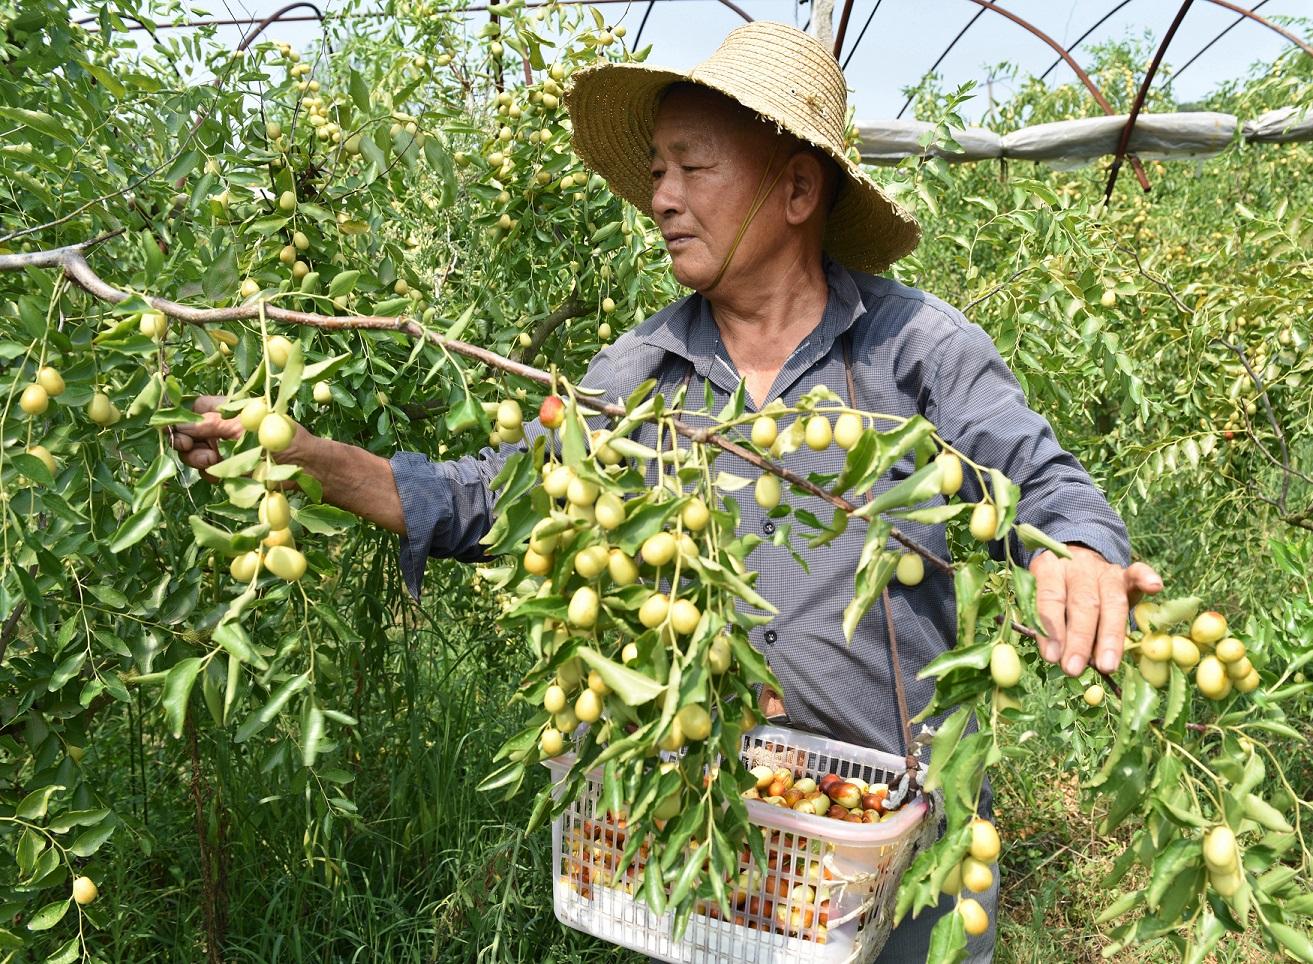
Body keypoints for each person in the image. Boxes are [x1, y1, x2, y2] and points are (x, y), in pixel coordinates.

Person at [174, 22, 1162, 961]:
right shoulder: (635, 375)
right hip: (727, 835)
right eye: (656, 171)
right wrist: (305, 455)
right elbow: (493, 501)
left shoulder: (913, 351)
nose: (662, 197)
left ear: (794, 188)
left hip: (896, 836)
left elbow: (1039, 483)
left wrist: (1074, 552)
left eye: (693, 166)